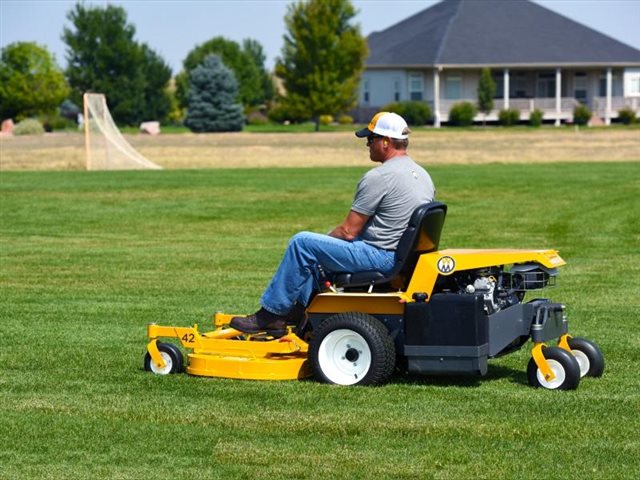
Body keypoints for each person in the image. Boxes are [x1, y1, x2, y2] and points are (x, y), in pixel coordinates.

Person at [230, 112, 436, 337]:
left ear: (385, 142)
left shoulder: (380, 177)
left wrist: (324, 241)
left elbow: (348, 231)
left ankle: (270, 315)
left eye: (370, 139)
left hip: (382, 256)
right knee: (316, 249)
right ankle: (298, 312)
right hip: (405, 258)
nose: (367, 144)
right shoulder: (423, 175)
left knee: (303, 244)